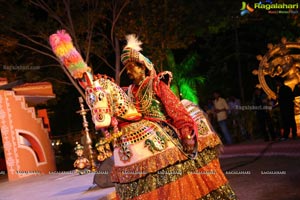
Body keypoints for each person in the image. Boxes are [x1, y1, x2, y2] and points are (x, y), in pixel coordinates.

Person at [118, 34, 236, 199]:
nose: (128, 71)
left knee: (182, 158)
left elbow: (175, 109)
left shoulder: (156, 84)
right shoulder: (129, 91)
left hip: (166, 126)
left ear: (143, 67)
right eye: (127, 68)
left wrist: (186, 133)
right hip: (146, 133)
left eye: (131, 67)